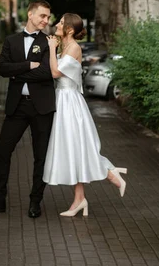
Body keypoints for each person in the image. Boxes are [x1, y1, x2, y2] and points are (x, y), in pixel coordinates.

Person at [0, 0, 55, 218]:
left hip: (42, 107)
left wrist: (16, 72)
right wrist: (29, 65)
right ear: (30, 14)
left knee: (41, 156)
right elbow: (1, 69)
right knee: (2, 150)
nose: (46, 20)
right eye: (42, 16)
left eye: (48, 17)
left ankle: (35, 202)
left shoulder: (49, 42)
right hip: (17, 106)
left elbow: (47, 72)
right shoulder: (11, 41)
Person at [43, 13, 127, 217]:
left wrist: (52, 49)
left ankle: (109, 172)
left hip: (70, 103)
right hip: (63, 100)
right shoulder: (66, 46)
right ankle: (79, 200)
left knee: (77, 147)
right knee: (72, 150)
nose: (56, 24)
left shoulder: (73, 48)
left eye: (61, 23)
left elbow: (55, 73)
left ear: (70, 29)